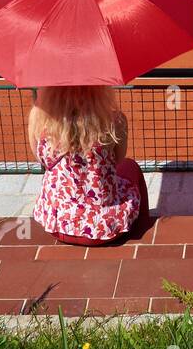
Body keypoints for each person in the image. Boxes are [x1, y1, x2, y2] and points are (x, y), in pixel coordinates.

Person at [27, 85, 149, 246]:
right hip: (104, 229)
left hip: (57, 226)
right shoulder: (115, 121)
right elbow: (118, 160)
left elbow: (41, 159)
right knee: (130, 166)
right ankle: (144, 227)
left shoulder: (41, 120)